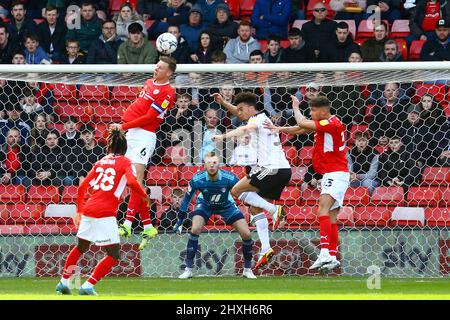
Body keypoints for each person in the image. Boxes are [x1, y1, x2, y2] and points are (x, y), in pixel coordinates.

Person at [56, 129, 150, 296]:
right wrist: (144, 195)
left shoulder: (100, 162)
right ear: (125, 148)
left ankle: (64, 282)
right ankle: (87, 286)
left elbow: (82, 186)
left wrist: (79, 211)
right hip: (105, 211)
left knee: (81, 247)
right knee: (114, 254)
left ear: (109, 146)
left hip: (89, 208)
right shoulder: (125, 162)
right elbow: (131, 182)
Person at [265, 95, 349, 272]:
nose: (310, 113)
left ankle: (325, 252)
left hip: (336, 173)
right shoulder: (326, 124)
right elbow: (300, 129)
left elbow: (303, 123)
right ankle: (332, 256)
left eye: (312, 110)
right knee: (331, 216)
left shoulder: (332, 124)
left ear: (322, 111)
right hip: (332, 174)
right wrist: (278, 128)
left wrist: (296, 107)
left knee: (322, 210)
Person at [211, 91, 290, 269]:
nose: (239, 114)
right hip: (281, 170)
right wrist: (223, 102)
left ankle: (274, 210)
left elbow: (246, 128)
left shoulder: (257, 120)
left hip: (271, 169)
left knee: (236, 191)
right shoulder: (259, 117)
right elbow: (240, 114)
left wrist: (223, 137)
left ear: (249, 107)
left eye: (241, 109)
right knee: (254, 209)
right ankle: (266, 249)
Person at [109, 56, 177, 250]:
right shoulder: (148, 82)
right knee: (130, 181)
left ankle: (128, 224)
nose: (156, 68)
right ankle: (148, 226)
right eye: (157, 65)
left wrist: (123, 125)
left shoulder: (168, 92)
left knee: (136, 180)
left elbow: (149, 117)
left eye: (161, 67)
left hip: (145, 136)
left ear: (169, 72)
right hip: (131, 134)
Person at [175, 152, 256, 279]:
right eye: (209, 163)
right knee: (195, 229)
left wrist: (253, 211)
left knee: (246, 234)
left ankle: (247, 269)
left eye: (214, 162)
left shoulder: (229, 178)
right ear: (204, 165)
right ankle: (188, 269)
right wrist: (179, 221)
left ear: (219, 164)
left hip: (226, 205)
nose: (212, 165)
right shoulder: (197, 179)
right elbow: (186, 199)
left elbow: (244, 193)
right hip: (205, 204)